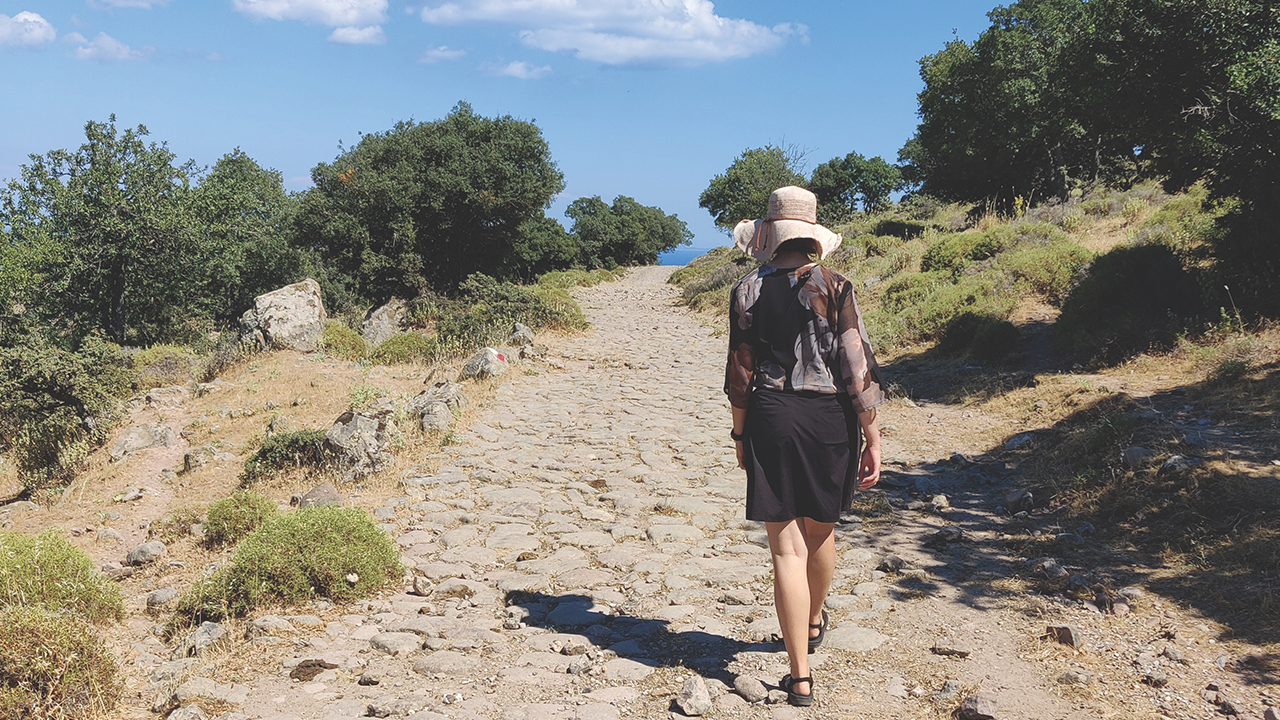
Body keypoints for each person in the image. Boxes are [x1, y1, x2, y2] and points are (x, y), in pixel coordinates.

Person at [725, 185, 886, 707]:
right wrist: (872, 435)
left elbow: (741, 372)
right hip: (829, 421)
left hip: (773, 418)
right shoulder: (837, 285)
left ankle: (800, 677)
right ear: (813, 236)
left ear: (769, 235)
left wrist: (740, 433)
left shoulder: (747, 291)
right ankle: (815, 617)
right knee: (821, 533)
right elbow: (855, 366)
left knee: (785, 550)